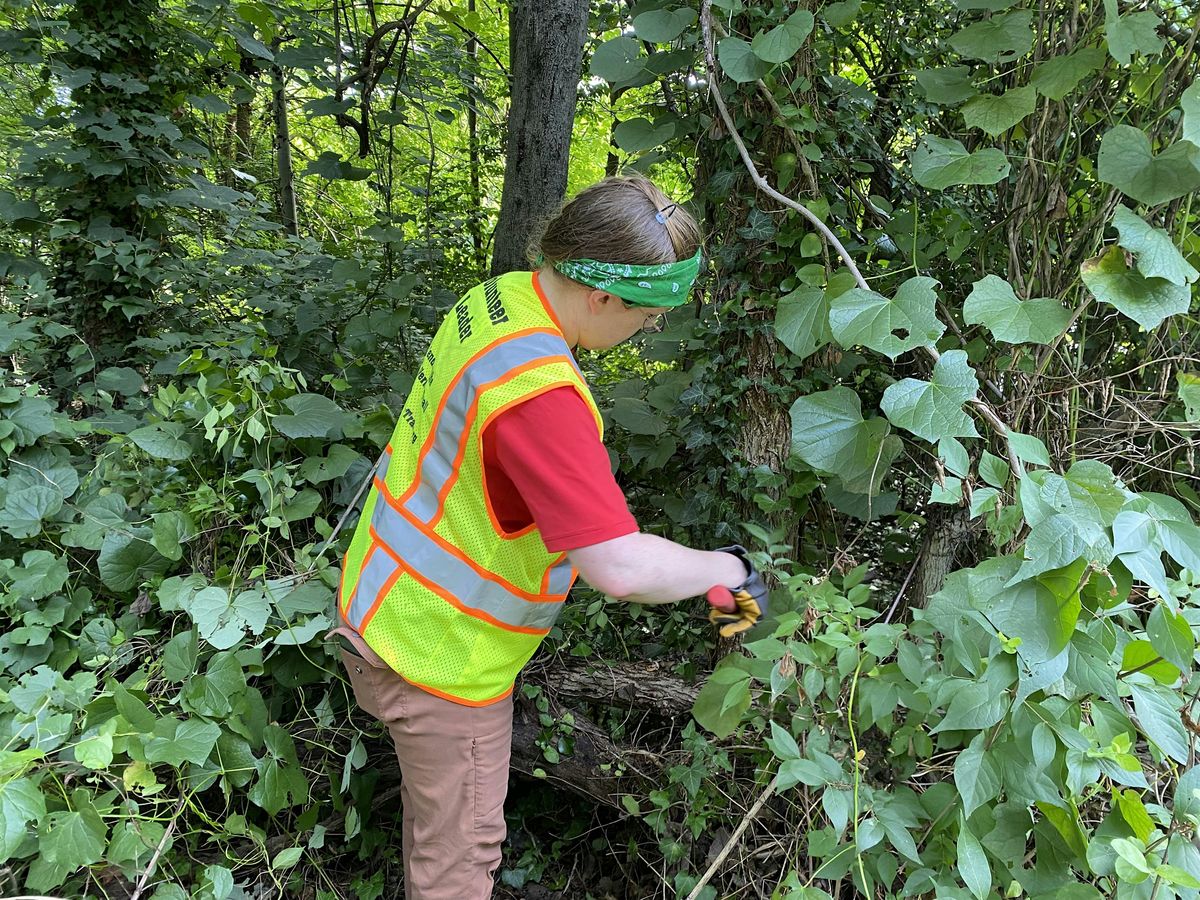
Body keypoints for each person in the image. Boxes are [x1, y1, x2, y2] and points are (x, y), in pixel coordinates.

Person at [328, 175, 768, 900]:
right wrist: (730, 567)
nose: (649, 329)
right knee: (457, 866)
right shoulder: (542, 399)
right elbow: (618, 568)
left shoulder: (500, 300)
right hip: (440, 663)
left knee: (436, 827)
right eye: (647, 314)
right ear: (601, 297)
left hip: (379, 604)